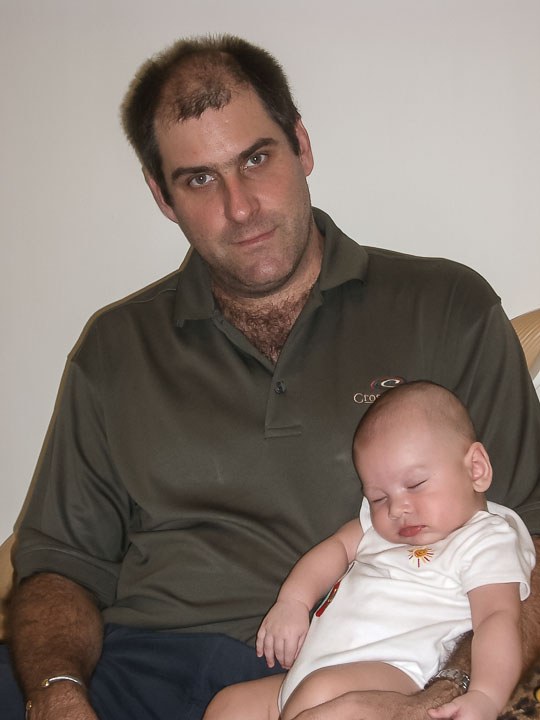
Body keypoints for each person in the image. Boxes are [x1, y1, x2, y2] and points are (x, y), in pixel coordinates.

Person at [1, 34, 539, 720]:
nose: (241, 206)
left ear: (301, 146)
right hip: (134, 668)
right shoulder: (113, 349)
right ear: (162, 196)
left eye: (256, 159)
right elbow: (59, 565)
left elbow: (530, 542)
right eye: (199, 179)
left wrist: (443, 694)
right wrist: (57, 694)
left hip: (355, 673)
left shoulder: (446, 309)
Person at [203, 381, 535, 720]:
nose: (396, 509)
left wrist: (485, 695)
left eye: (415, 484)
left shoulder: (485, 539)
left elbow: (496, 619)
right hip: (308, 677)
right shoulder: (377, 529)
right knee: (229, 705)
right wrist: (293, 602)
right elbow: (335, 548)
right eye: (378, 497)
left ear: (476, 469)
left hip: (394, 677)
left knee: (318, 695)